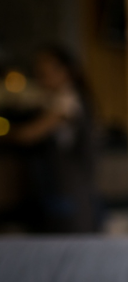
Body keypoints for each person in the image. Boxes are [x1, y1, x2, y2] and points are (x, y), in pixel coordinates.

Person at [10, 45, 99, 233]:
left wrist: (8, 133)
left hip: (71, 191)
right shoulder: (54, 99)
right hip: (58, 189)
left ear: (65, 71)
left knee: (70, 241)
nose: (41, 78)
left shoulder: (68, 101)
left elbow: (30, 134)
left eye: (44, 72)